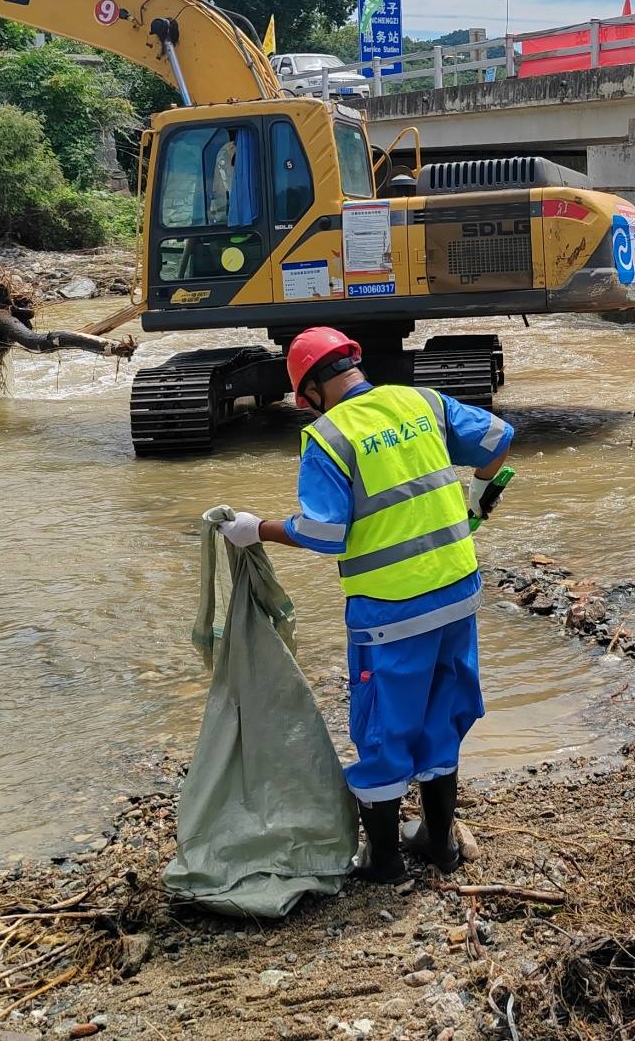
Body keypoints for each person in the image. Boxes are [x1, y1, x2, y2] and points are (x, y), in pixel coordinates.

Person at [220, 326, 514, 882]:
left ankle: (384, 861)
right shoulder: (421, 401)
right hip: (458, 595)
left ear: (309, 392)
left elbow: (325, 533)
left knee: (384, 729)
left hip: (390, 613)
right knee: (442, 714)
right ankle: (441, 845)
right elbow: (499, 439)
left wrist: (256, 529)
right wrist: (479, 496)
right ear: (353, 365)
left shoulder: (328, 437)